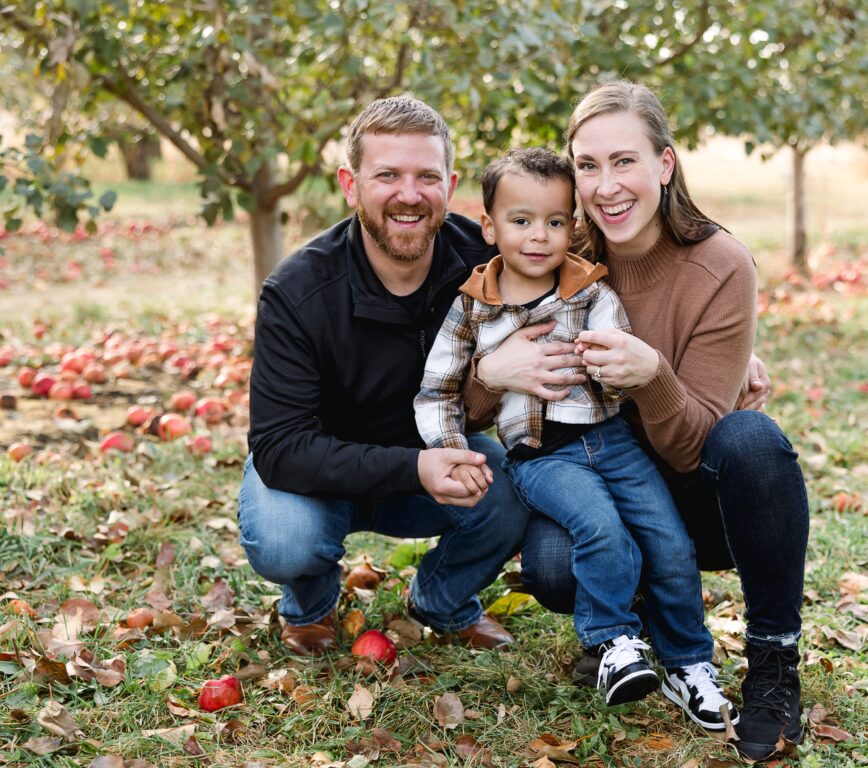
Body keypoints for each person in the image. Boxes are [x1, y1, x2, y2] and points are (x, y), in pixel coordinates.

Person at [465, 81, 810, 762]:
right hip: (590, 479)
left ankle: (774, 661)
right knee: (554, 568)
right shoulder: (554, 257)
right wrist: (492, 372)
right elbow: (474, 404)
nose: (605, 185)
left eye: (624, 161)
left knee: (755, 440)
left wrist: (653, 374)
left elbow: (693, 447)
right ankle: (636, 622)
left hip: (687, 490)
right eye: (587, 166)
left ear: (665, 164)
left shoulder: (719, 264)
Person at [414, 147, 737, 725]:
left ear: (573, 226)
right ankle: (613, 642)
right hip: (542, 456)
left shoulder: (590, 292)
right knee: (600, 528)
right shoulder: (471, 309)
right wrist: (451, 449)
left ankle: (690, 662)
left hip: (611, 440)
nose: (539, 237)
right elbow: (438, 390)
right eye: (521, 221)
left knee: (668, 539)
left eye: (556, 222)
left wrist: (615, 360)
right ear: (488, 226)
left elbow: (623, 348)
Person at [238, 96, 532, 657]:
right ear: (351, 185)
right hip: (318, 474)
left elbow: (589, 274)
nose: (409, 194)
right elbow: (278, 448)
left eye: (427, 176)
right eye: (387, 175)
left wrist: (704, 350)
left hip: (437, 458)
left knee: (520, 484)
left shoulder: (487, 259)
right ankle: (311, 606)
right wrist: (414, 466)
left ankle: (443, 600)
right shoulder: (297, 291)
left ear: (449, 183)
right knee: (284, 539)